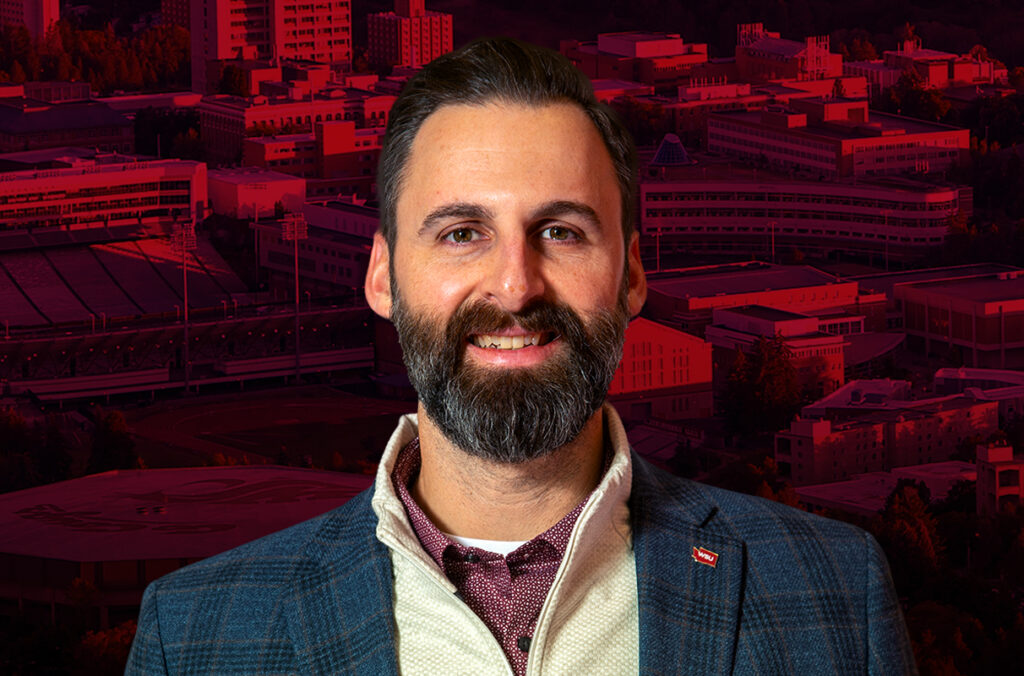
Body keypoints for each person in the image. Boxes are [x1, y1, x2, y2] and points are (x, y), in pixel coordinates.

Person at [127, 38, 916, 674]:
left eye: (562, 232)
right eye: (461, 233)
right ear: (381, 275)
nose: (514, 284)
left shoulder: (835, 591)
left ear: (632, 273)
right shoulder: (195, 639)